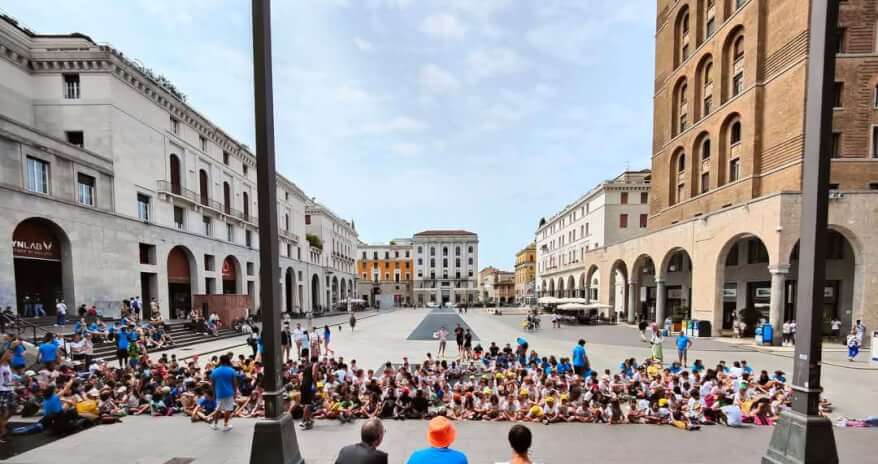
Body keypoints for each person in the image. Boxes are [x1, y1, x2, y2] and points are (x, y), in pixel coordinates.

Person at [210, 354, 238, 431]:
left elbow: (212, 384)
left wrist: (214, 394)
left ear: (220, 361)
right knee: (228, 409)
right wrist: (235, 393)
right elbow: (234, 383)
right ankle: (225, 425)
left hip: (219, 393)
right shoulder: (231, 370)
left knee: (218, 409)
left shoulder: (215, 371)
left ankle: (215, 424)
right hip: (229, 393)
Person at [299, 350, 318, 430]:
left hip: (303, 385)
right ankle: (303, 421)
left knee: (308, 403)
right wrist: (315, 384)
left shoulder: (307, 366)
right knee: (308, 403)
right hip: (309, 385)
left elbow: (301, 376)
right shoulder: (315, 364)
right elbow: (314, 374)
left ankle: (308, 419)